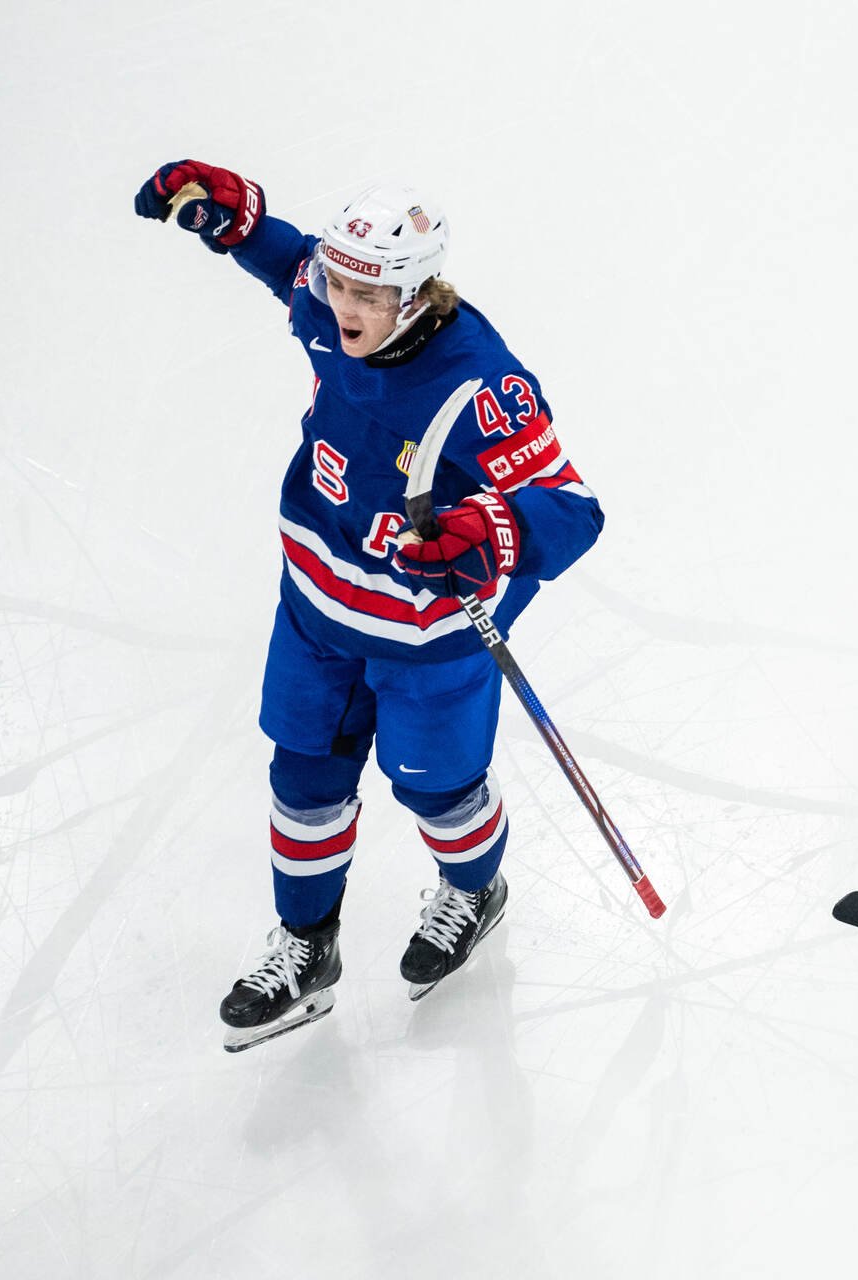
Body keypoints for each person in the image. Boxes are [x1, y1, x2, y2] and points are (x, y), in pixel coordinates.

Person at [133, 160, 605, 1051]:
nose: (340, 305)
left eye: (365, 293)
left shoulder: (478, 385)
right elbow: (291, 264)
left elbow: (574, 509)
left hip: (428, 638)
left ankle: (474, 891)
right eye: (337, 284)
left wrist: (493, 530)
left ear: (415, 296)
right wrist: (239, 224)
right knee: (302, 776)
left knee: (439, 789)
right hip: (316, 609)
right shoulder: (327, 300)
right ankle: (307, 948)